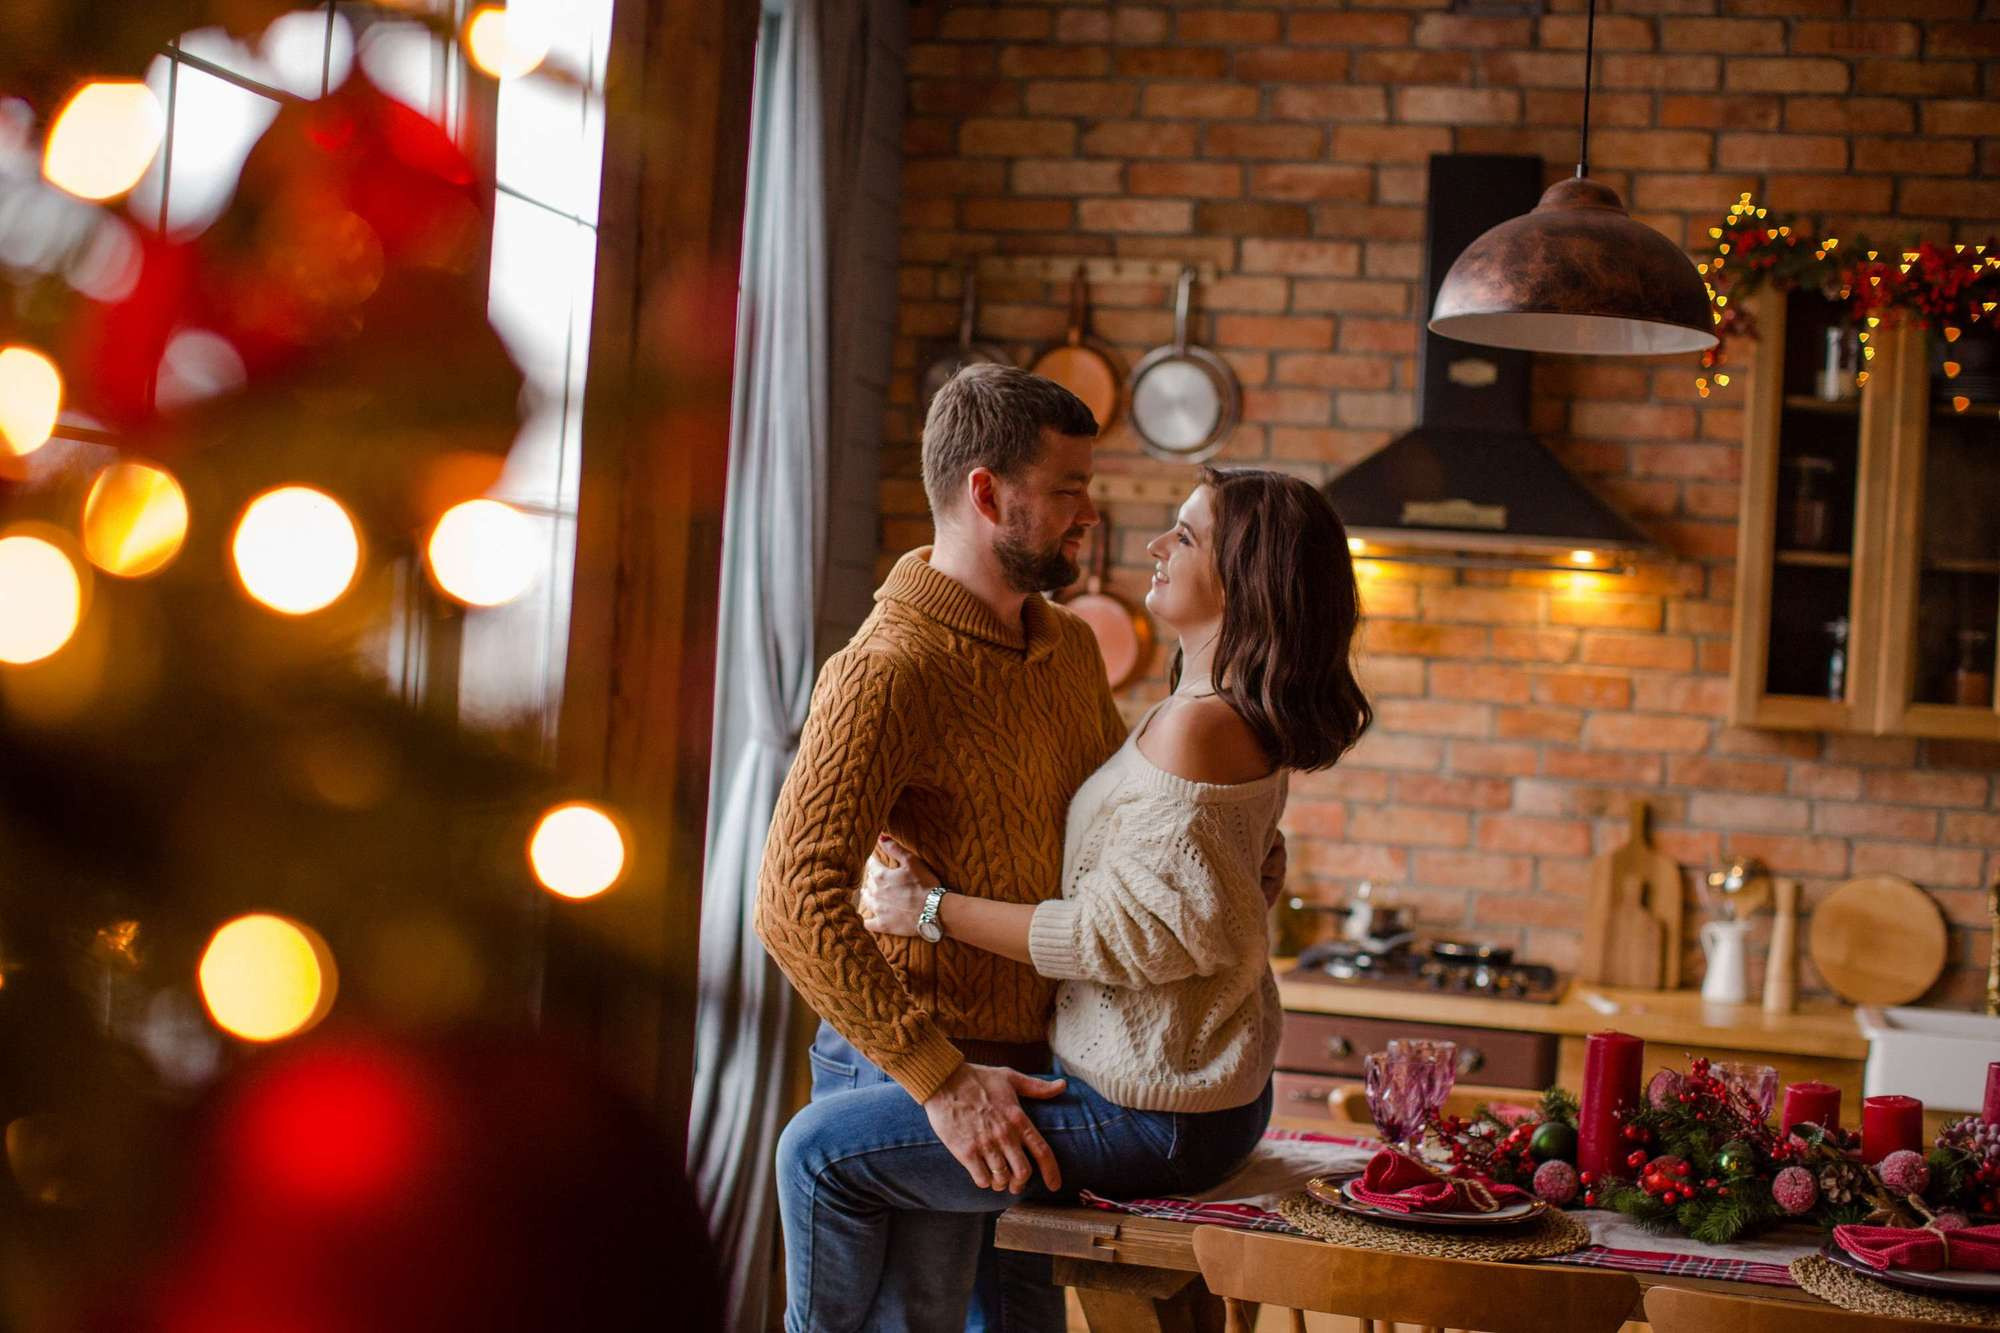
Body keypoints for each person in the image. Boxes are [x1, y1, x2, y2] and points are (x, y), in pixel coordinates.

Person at [771, 459, 1371, 1332]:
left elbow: (1121, 932)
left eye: (1188, 534)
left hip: (1153, 1100)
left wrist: (929, 911)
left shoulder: (1199, 725)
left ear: (1245, 581)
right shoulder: (1214, 707)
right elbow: (1211, 886)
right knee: (999, 1294)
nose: (1157, 545)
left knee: (816, 1153)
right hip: (1182, 1086)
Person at [757, 363, 1134, 1333]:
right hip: (913, 1071)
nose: (1086, 515)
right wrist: (942, 1078)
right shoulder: (888, 667)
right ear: (984, 492)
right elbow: (793, 898)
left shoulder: (1068, 646)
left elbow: (1105, 830)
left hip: (1039, 1070)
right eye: (1066, 491)